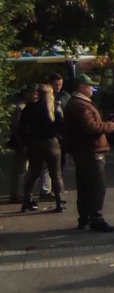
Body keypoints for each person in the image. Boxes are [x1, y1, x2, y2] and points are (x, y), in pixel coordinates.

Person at [62, 74, 114, 231]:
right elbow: (91, 127)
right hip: (90, 150)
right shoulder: (81, 105)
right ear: (81, 87)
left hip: (83, 150)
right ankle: (96, 218)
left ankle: (86, 218)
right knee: (96, 185)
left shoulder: (77, 103)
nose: (93, 89)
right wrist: (109, 126)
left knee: (85, 185)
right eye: (90, 86)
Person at [19, 83, 65, 213]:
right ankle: (59, 202)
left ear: (38, 94)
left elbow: (22, 128)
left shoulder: (30, 107)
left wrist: (27, 141)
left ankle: (26, 201)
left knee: (33, 173)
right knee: (56, 174)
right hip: (52, 143)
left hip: (34, 144)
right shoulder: (54, 108)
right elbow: (61, 126)